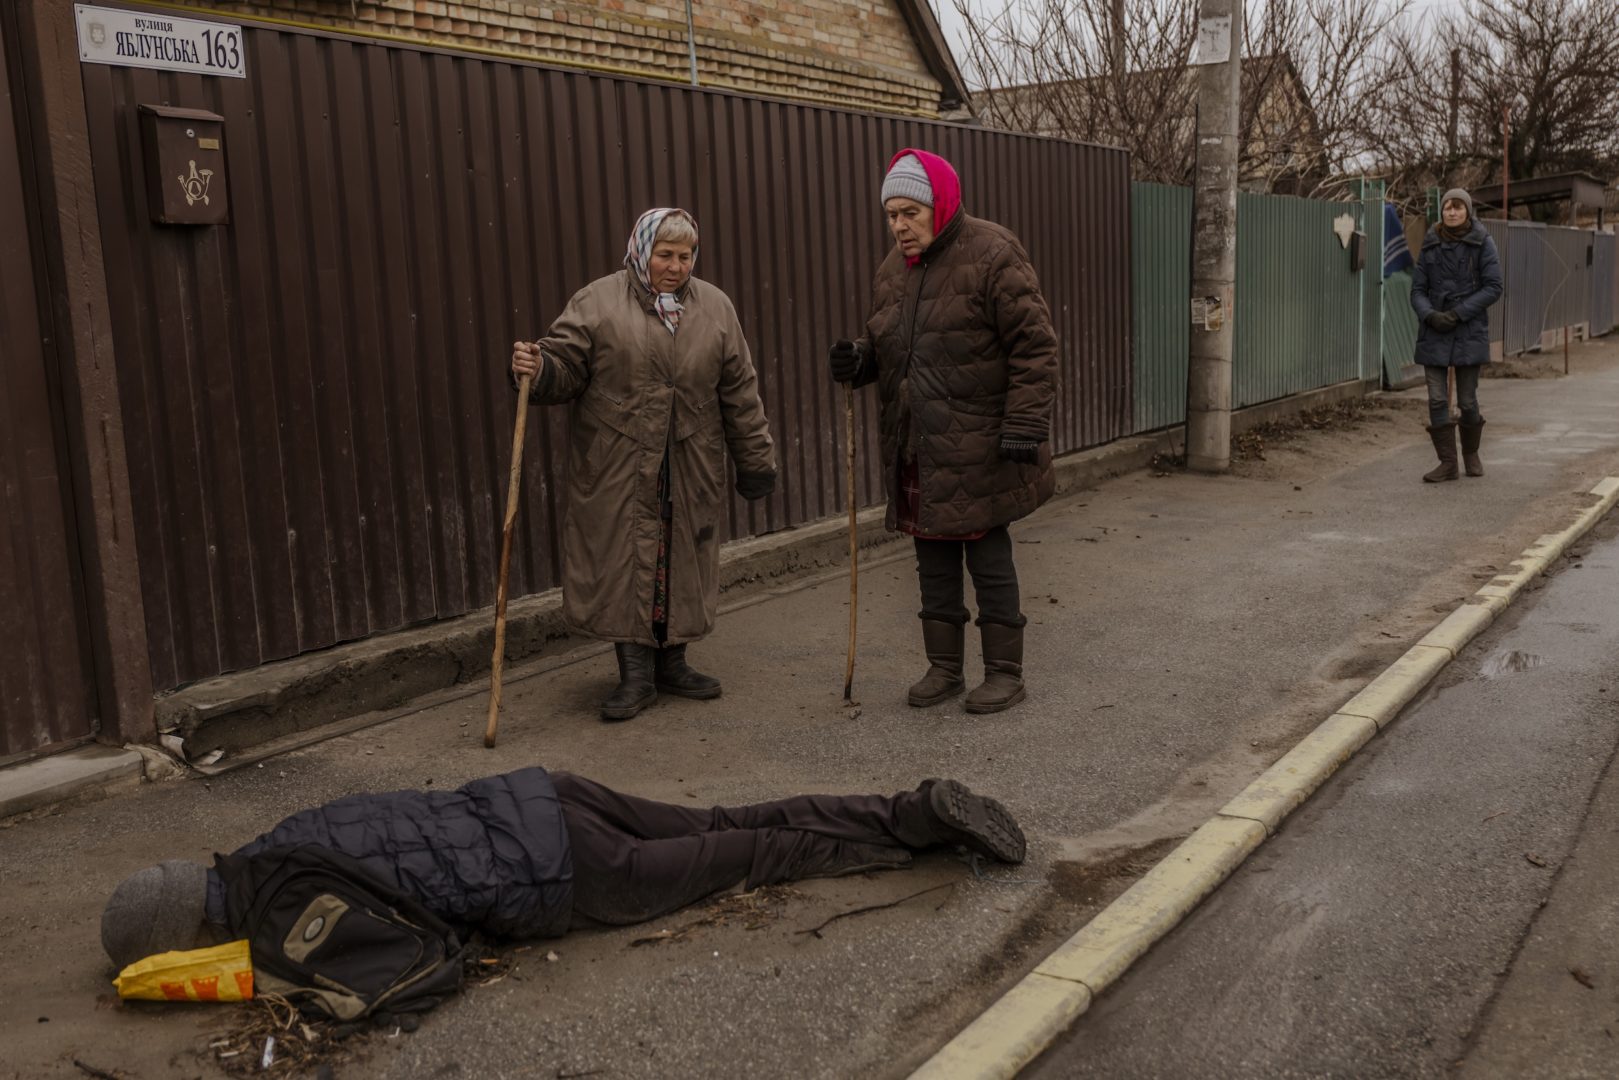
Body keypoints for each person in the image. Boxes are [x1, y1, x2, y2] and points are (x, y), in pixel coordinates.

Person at [99, 768, 1027, 968]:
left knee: (758, 857)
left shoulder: (280, 924)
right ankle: (904, 811)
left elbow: (414, 954)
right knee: (727, 818)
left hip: (565, 872)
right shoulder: (278, 840)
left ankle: (917, 830)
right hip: (544, 794)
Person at [510, 209, 777, 721]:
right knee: (625, 560)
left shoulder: (715, 307)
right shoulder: (598, 301)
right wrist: (538, 367)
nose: (676, 266)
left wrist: (756, 458)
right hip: (619, 463)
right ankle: (634, 674)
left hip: (690, 462)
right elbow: (564, 366)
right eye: (665, 255)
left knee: (681, 560)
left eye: (685, 256)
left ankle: (673, 664)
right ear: (642, 251)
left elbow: (740, 389)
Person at [829, 149, 1059, 715]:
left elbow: (1036, 346)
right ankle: (945, 669)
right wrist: (859, 360)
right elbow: (892, 346)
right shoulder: (893, 271)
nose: (899, 226)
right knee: (931, 557)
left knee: (987, 555)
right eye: (891, 215)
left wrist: (1025, 424)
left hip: (982, 440)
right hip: (919, 443)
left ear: (941, 203)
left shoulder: (993, 253)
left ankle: (1005, 672)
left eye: (910, 212)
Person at [1409, 188, 1503, 482]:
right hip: (1434, 329)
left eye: (1457, 207)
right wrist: (1430, 315)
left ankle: (1471, 453)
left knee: (1467, 400)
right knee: (1437, 399)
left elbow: (1493, 287)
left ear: (1467, 210)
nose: (1451, 212)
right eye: (1447, 207)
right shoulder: (1431, 243)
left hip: (1468, 329)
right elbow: (1417, 290)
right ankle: (1447, 463)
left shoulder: (1482, 242)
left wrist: (1458, 313)